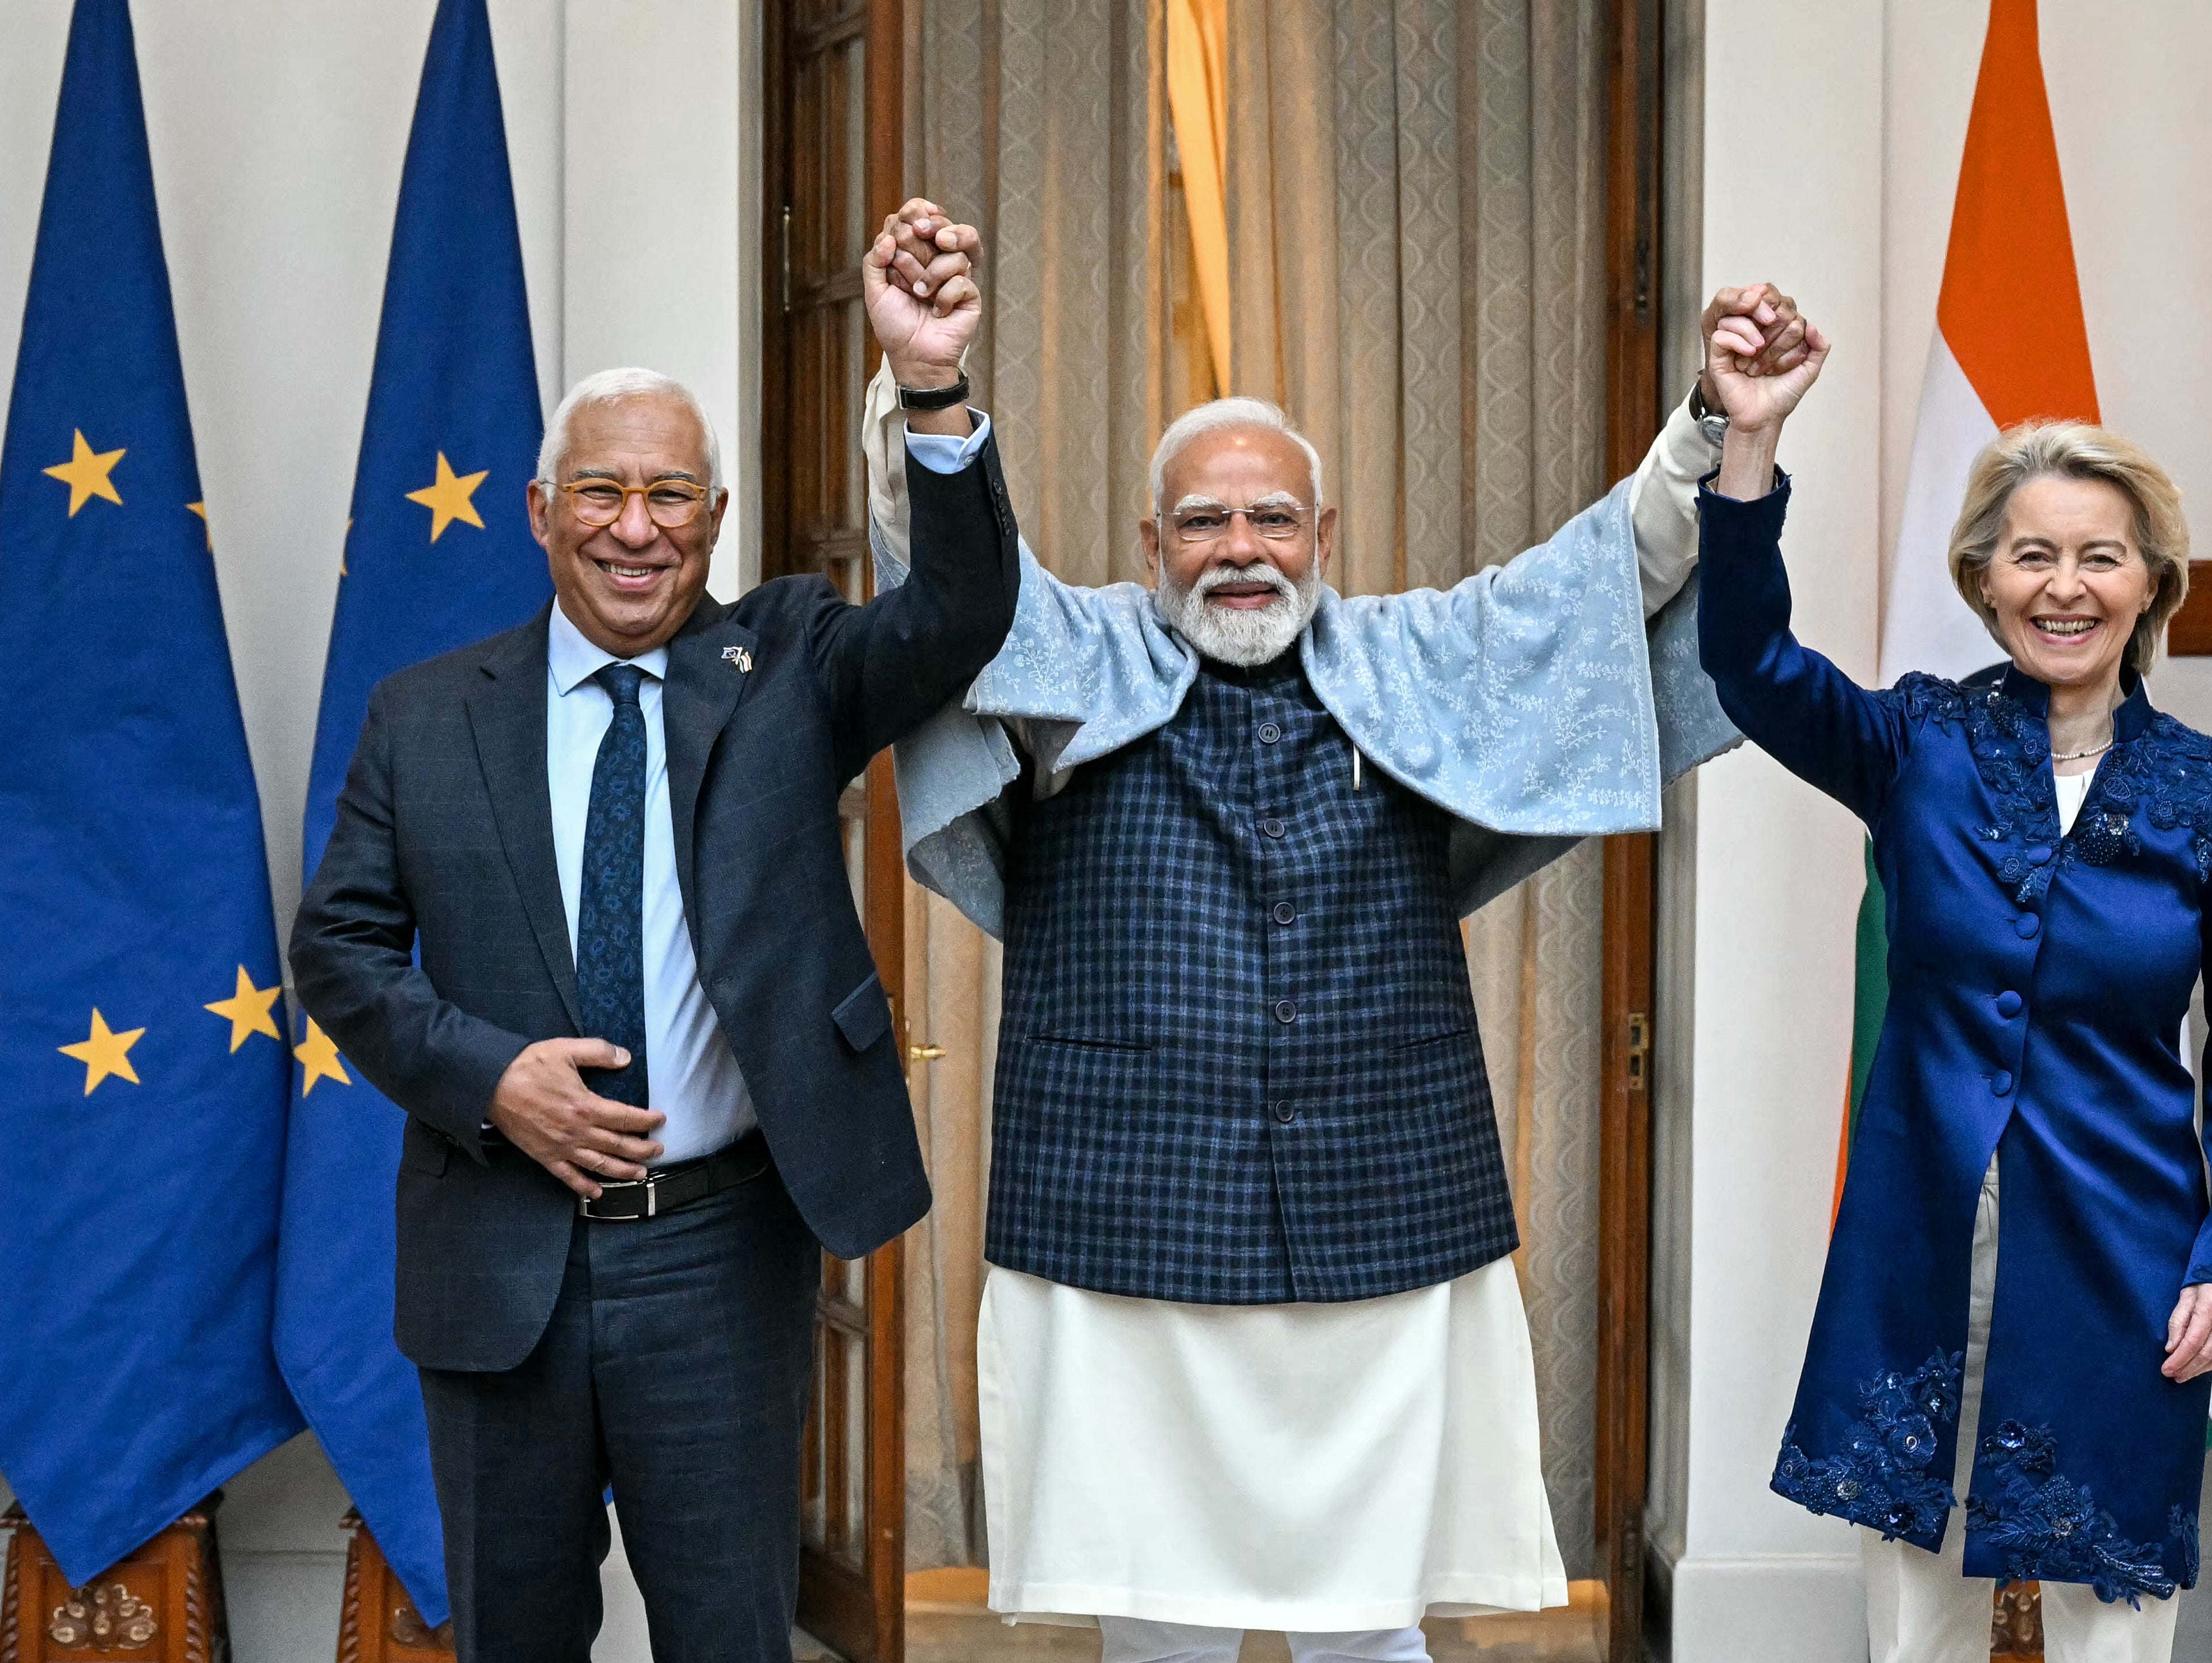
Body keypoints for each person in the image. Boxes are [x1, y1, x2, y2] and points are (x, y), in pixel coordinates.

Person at [862, 205, 1797, 1663]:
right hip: (1123, 1213)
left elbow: (1609, 576)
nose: (1241, 549)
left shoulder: (1417, 651)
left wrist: (1709, 427)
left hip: (1386, 1206)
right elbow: (946, 580)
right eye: (1204, 521)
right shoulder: (1069, 647)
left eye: (1272, 517)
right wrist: (931, 389)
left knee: (1376, 1626)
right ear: (1148, 541)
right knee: (1157, 1624)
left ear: (1324, 534)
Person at [288, 217, 1017, 1663]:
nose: (638, 525)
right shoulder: (426, 713)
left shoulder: (795, 661)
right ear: (540, 509)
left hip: (717, 1254)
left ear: (717, 512)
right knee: (515, 1635)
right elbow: (342, 953)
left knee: (730, 1635)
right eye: (604, 492)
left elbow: (958, 612)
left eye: (671, 494)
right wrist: (490, 1077)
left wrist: (928, 388)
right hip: (498, 1254)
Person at [1690, 303, 2212, 1662]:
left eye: (2099, 555)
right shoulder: (1916, 743)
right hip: (1920, 1247)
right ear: (1983, 578)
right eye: (2032, 554)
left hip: (2126, 1254)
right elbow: (1749, 665)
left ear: (2150, 583)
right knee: (1919, 1625)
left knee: (2115, 1622)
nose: (2064, 584)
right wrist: (1749, 441)